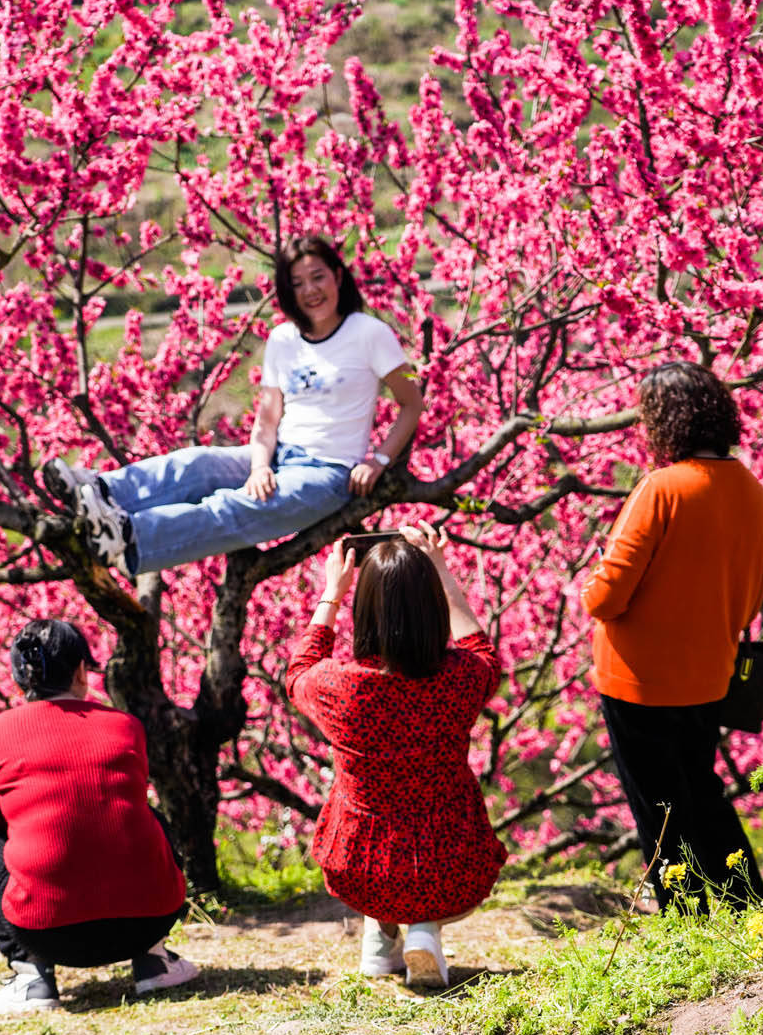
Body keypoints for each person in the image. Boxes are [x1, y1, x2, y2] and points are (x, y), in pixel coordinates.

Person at [42, 235, 424, 574]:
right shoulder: (283, 339)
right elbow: (267, 418)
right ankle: (98, 493)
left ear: (338, 276)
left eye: (318, 277)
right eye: (298, 283)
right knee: (196, 464)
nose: (311, 290)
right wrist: (260, 466)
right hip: (277, 455)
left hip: (329, 473)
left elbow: (411, 402)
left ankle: (128, 537)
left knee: (233, 508)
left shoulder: (370, 333)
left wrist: (380, 460)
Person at [582, 362, 763, 914]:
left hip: (637, 679)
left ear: (666, 422)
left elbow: (605, 598)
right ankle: (747, 909)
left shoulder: (661, 490)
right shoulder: (753, 494)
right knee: (703, 794)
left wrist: (591, 583)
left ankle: (687, 925)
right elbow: (750, 601)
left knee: (658, 809)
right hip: (708, 676)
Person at [288, 524, 506, 987]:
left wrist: (331, 592)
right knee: (427, 867)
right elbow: (484, 654)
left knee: (381, 846)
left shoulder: (337, 687)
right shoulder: (461, 679)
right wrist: (444, 575)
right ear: (431, 607)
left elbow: (298, 671)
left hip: (360, 868)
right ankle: (424, 931)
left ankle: (379, 936)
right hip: (451, 865)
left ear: (363, 610)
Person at [0, 618, 199, 1015]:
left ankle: (32, 977)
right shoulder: (125, 725)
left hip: (47, 935)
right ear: (79, 671)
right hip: (147, 922)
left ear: (20, 678)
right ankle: (153, 961)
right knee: (150, 819)